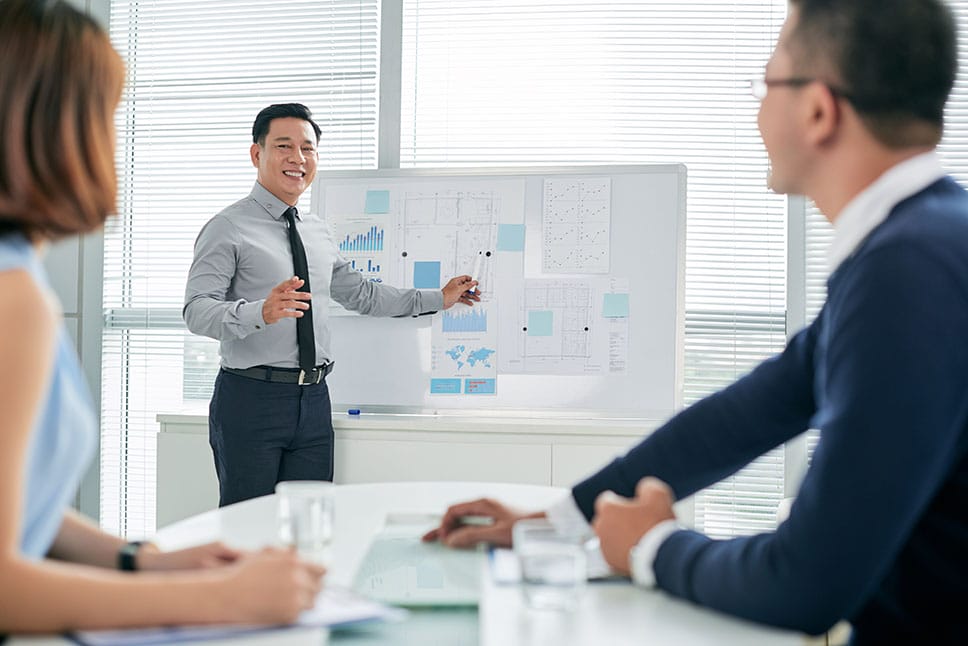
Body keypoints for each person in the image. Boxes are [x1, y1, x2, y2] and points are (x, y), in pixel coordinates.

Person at [424, 0, 968, 642]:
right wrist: (557, 521)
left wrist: (652, 547)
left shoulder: (908, 269)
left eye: (766, 83)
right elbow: (741, 418)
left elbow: (806, 584)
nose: (757, 108)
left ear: (819, 111)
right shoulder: (921, 244)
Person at [0, 0, 325, 633]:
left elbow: (22, 509)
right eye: (107, 114)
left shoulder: (18, 271)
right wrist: (227, 597)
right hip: (249, 395)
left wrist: (144, 560)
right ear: (53, 129)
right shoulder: (15, 297)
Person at [183, 103, 480, 507]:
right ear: (257, 154)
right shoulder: (228, 227)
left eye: (308, 148)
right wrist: (260, 312)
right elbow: (197, 309)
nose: (297, 159)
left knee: (312, 528)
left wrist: (438, 299)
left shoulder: (317, 231)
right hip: (251, 399)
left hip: (314, 401)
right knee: (247, 531)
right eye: (284, 146)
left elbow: (363, 294)